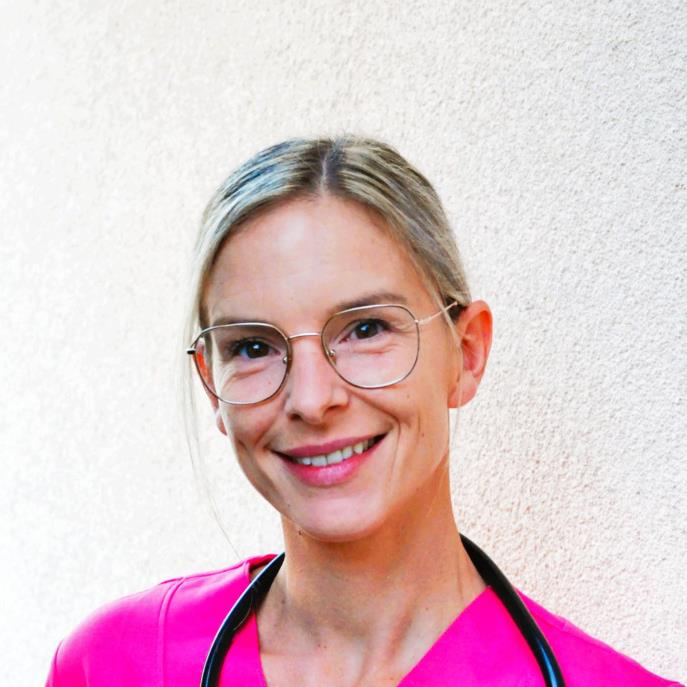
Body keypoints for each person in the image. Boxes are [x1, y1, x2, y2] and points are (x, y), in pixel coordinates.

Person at [45, 137, 682, 686]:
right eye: (254, 347)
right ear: (213, 386)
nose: (312, 399)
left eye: (366, 329)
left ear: (466, 353)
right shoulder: (115, 665)